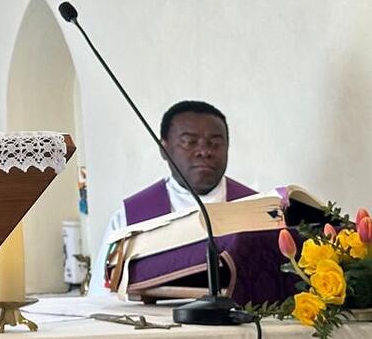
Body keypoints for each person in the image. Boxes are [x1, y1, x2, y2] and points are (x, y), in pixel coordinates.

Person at [89, 100, 254, 294]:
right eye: (189, 142)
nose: (204, 151)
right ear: (164, 149)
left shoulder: (258, 210)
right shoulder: (129, 219)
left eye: (215, 143)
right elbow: (103, 297)